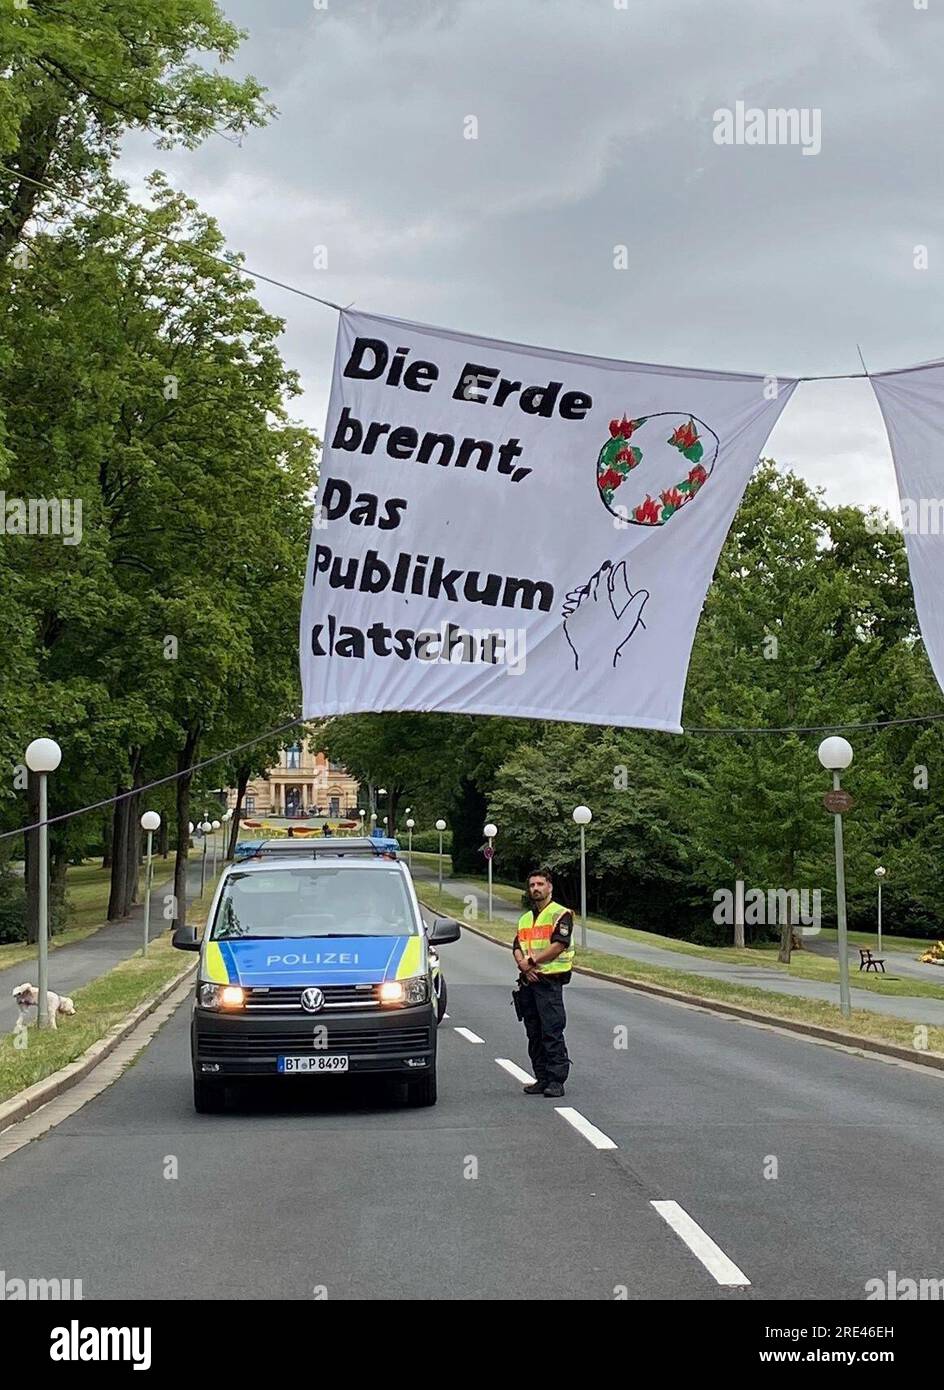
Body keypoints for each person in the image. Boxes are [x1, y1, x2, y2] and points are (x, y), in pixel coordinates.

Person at [512, 868, 575, 1097]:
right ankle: (541, 1077)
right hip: (529, 982)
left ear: (549, 887)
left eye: (540, 884)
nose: (536, 888)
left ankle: (556, 1080)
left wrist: (531, 962)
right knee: (534, 1032)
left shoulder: (561, 914)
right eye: (532, 885)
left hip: (549, 983)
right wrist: (523, 965)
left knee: (551, 1031)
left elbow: (559, 944)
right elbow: (517, 946)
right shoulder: (526, 918)